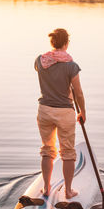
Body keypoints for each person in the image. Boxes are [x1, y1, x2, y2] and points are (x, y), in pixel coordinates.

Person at [34, 28, 86, 199]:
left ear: (52, 43)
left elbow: (49, 75)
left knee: (47, 150)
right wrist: (82, 112)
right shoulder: (71, 66)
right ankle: (68, 191)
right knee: (68, 152)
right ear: (66, 43)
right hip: (64, 112)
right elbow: (78, 93)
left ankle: (47, 188)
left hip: (44, 111)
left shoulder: (40, 61)